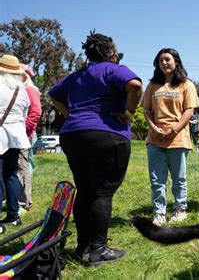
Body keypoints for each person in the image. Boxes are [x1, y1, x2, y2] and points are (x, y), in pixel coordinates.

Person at [49, 32, 142, 265]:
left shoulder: (77, 75)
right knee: (102, 192)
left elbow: (53, 95)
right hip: (106, 134)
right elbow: (135, 85)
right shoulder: (113, 69)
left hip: (73, 134)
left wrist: (73, 114)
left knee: (85, 189)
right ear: (111, 53)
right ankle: (98, 250)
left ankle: (82, 248)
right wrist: (129, 112)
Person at [143, 48, 199, 227]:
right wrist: (153, 127)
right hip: (155, 140)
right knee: (157, 178)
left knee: (178, 178)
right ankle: (159, 212)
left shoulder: (186, 84)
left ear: (176, 61)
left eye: (167, 59)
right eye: (160, 61)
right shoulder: (152, 85)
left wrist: (174, 130)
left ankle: (180, 209)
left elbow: (189, 111)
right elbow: (147, 110)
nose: (164, 63)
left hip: (178, 138)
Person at [0, 55, 31, 232]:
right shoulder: (22, 91)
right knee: (11, 175)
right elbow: (24, 116)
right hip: (16, 136)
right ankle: (13, 215)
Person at [17, 63, 42, 212]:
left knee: (23, 166)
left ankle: (24, 201)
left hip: (25, 134)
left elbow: (36, 112)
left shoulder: (30, 90)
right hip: (21, 133)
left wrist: (25, 130)